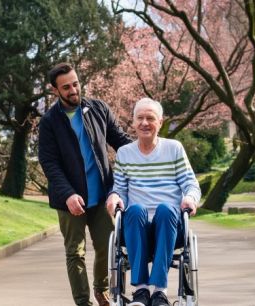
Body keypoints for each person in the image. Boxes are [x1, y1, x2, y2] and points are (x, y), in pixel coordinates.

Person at [38, 62, 131, 306]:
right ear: (55, 91)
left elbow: (120, 140)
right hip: (69, 200)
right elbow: (50, 163)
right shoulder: (49, 122)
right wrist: (68, 194)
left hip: (100, 195)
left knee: (108, 246)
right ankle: (83, 302)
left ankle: (102, 290)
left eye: (76, 83)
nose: (73, 90)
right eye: (66, 87)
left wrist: (148, 148)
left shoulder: (98, 109)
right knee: (75, 253)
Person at [106, 98, 201, 306]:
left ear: (160, 122)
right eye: (140, 118)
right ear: (133, 122)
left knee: (166, 209)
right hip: (135, 226)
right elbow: (119, 189)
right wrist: (114, 197)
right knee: (136, 209)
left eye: (150, 118)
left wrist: (190, 198)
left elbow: (191, 184)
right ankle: (140, 291)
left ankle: (159, 292)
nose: (144, 123)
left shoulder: (174, 148)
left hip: (169, 227)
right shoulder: (125, 153)